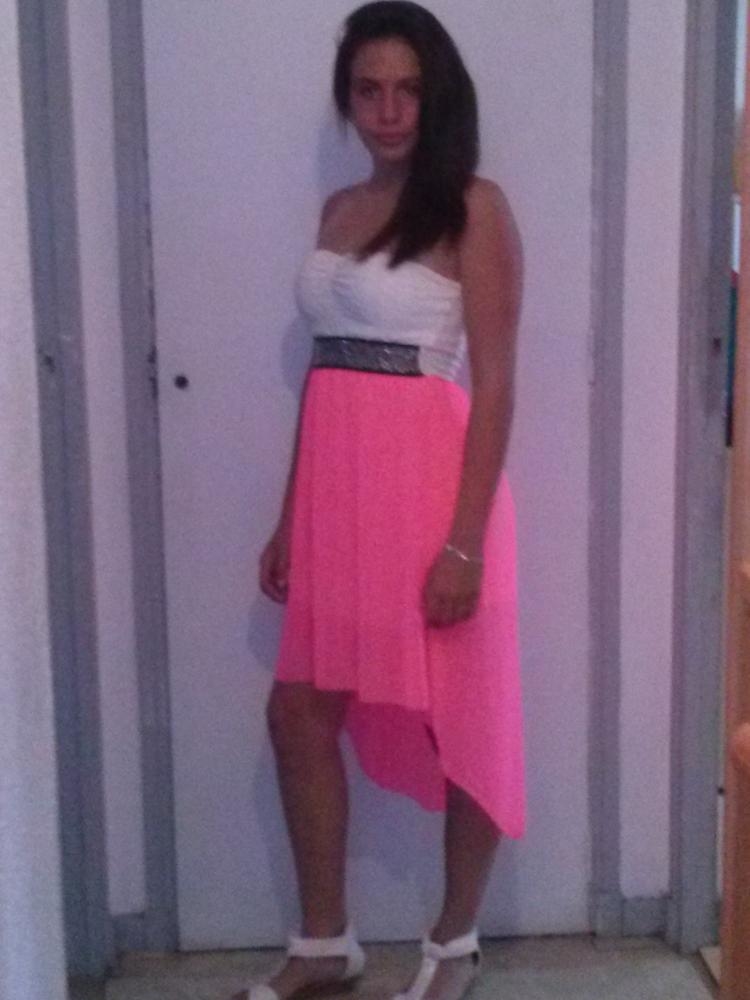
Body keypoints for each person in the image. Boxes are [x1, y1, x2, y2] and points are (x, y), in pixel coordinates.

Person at [237, 3, 526, 998]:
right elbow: (325, 377)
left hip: (435, 502)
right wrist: (291, 517)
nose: (389, 110)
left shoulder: (475, 207)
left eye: (408, 89)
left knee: (460, 721)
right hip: (337, 503)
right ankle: (325, 944)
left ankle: (455, 943)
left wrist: (464, 544)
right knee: (297, 712)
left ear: (437, 96)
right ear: (348, 98)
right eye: (369, 89)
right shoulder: (339, 210)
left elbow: (496, 387)